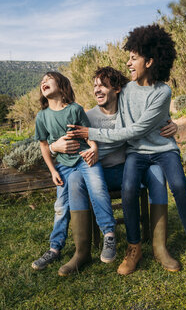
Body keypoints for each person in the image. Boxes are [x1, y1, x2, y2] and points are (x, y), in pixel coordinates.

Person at [70, 25, 186, 280]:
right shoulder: (126, 91)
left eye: (133, 58)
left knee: (179, 185)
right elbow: (123, 125)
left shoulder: (163, 91)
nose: (128, 62)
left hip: (163, 149)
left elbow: (136, 129)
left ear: (150, 60)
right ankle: (134, 247)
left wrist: (91, 134)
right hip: (136, 153)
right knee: (128, 188)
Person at [53, 66, 180, 277]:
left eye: (103, 85)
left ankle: (160, 247)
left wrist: (172, 125)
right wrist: (53, 147)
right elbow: (70, 144)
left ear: (118, 89)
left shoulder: (129, 109)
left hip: (130, 169)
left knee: (157, 172)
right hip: (99, 174)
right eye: (95, 86)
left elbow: (151, 123)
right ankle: (81, 252)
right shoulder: (87, 116)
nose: (97, 90)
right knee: (75, 178)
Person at [32, 71, 117, 273]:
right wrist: (52, 170)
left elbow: (88, 135)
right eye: (42, 81)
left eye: (48, 79)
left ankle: (109, 234)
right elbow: (44, 146)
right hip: (62, 166)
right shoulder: (42, 116)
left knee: (97, 187)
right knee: (60, 206)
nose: (43, 82)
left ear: (62, 86)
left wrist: (94, 148)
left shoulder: (75, 110)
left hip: (85, 159)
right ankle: (55, 248)